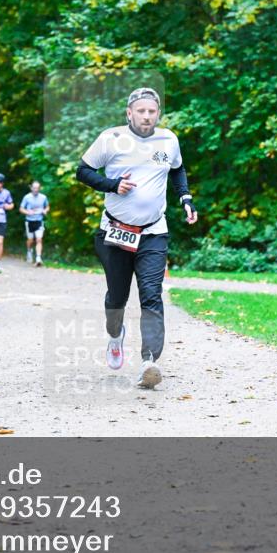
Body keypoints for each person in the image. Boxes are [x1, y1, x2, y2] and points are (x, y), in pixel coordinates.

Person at [75, 87, 197, 388]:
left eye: (151, 111)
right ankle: (115, 337)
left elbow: (178, 170)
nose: (146, 116)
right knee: (117, 298)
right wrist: (112, 185)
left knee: (151, 295)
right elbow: (83, 171)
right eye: (140, 111)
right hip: (116, 231)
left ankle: (149, 362)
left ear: (158, 113)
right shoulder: (111, 139)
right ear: (129, 113)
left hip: (153, 232)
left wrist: (185, 198)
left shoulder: (169, 140)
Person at [19, 181, 50, 266]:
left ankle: (38, 258)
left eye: (37, 188)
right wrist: (27, 212)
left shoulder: (43, 197)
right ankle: (29, 251)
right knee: (30, 240)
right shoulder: (27, 197)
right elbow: (21, 209)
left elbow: (47, 206)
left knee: (39, 239)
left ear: (40, 188)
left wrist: (45, 211)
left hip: (39, 221)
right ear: (31, 188)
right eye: (34, 188)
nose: (36, 190)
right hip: (29, 221)